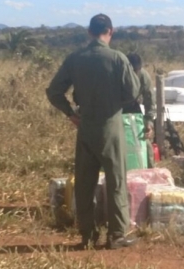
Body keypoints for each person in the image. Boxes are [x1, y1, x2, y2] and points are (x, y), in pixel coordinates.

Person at [46, 13, 140, 250]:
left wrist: (70, 113)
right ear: (111, 31)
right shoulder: (118, 59)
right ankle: (117, 234)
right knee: (116, 180)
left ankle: (87, 235)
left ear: (89, 32)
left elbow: (54, 91)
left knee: (85, 183)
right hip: (111, 127)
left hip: (85, 126)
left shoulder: (75, 59)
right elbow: (132, 92)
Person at [123, 53, 157, 168]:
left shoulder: (143, 76)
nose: (134, 74)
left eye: (137, 71)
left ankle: (150, 171)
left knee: (145, 143)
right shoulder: (115, 74)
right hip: (117, 110)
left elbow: (149, 100)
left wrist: (149, 122)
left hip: (134, 108)